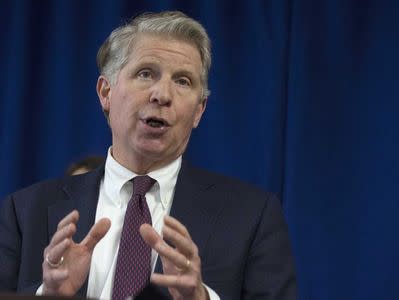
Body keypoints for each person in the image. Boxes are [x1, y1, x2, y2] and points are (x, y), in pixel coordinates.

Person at [0, 11, 297, 300]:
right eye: (146, 73)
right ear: (106, 92)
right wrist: (48, 296)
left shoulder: (251, 217)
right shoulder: (24, 211)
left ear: (199, 110)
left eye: (183, 81)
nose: (163, 95)